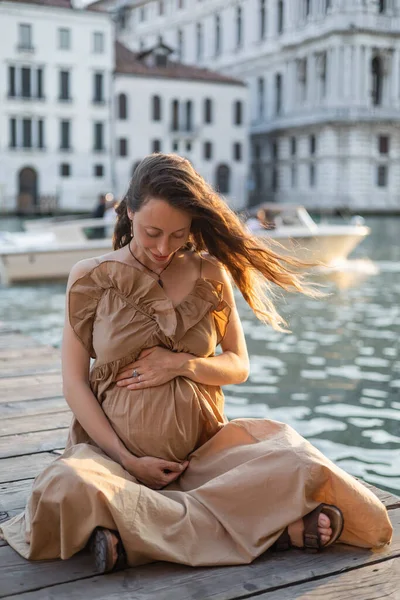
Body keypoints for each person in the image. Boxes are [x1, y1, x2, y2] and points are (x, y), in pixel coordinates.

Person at [0, 154, 392, 573]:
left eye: (178, 234)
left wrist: (181, 364)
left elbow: (238, 365)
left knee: (300, 463)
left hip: (204, 457)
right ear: (129, 212)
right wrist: (128, 460)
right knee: (67, 485)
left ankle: (133, 534)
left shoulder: (212, 273)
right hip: (111, 460)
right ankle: (269, 531)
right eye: (152, 233)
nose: (164, 248)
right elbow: (74, 384)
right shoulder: (90, 277)